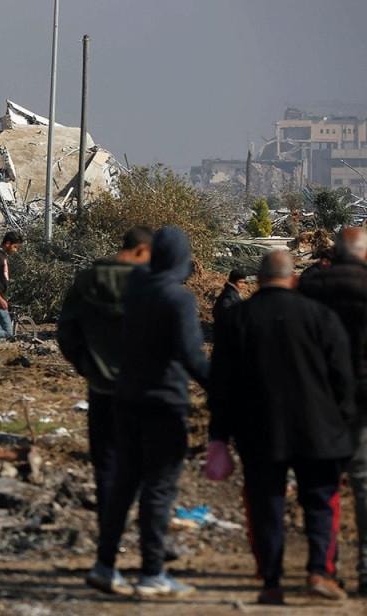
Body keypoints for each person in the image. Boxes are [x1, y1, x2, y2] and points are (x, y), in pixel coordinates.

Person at [209, 250, 354, 605]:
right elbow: (342, 379)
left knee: (266, 503)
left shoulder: (237, 319)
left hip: (259, 429)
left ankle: (271, 581)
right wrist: (344, 426)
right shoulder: (320, 316)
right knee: (320, 501)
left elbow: (221, 384)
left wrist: (219, 436)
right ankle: (319, 571)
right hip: (318, 428)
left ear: (258, 281)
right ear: (293, 279)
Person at [88, 226, 209, 598]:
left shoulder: (135, 290)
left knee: (124, 483)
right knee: (159, 487)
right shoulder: (177, 298)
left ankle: (105, 565)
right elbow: (191, 355)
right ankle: (152, 572)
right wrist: (224, 389)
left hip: (126, 398)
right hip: (162, 402)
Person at [56, 226, 153, 539]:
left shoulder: (87, 281)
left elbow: (66, 333)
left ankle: (110, 531)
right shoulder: (151, 285)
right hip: (142, 390)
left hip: (101, 389)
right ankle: (145, 531)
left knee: (106, 462)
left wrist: (87, 367)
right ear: (142, 251)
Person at [298, 226, 367, 594]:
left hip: (319, 399)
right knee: (364, 482)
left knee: (323, 484)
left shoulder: (311, 287)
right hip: (362, 400)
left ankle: (323, 566)